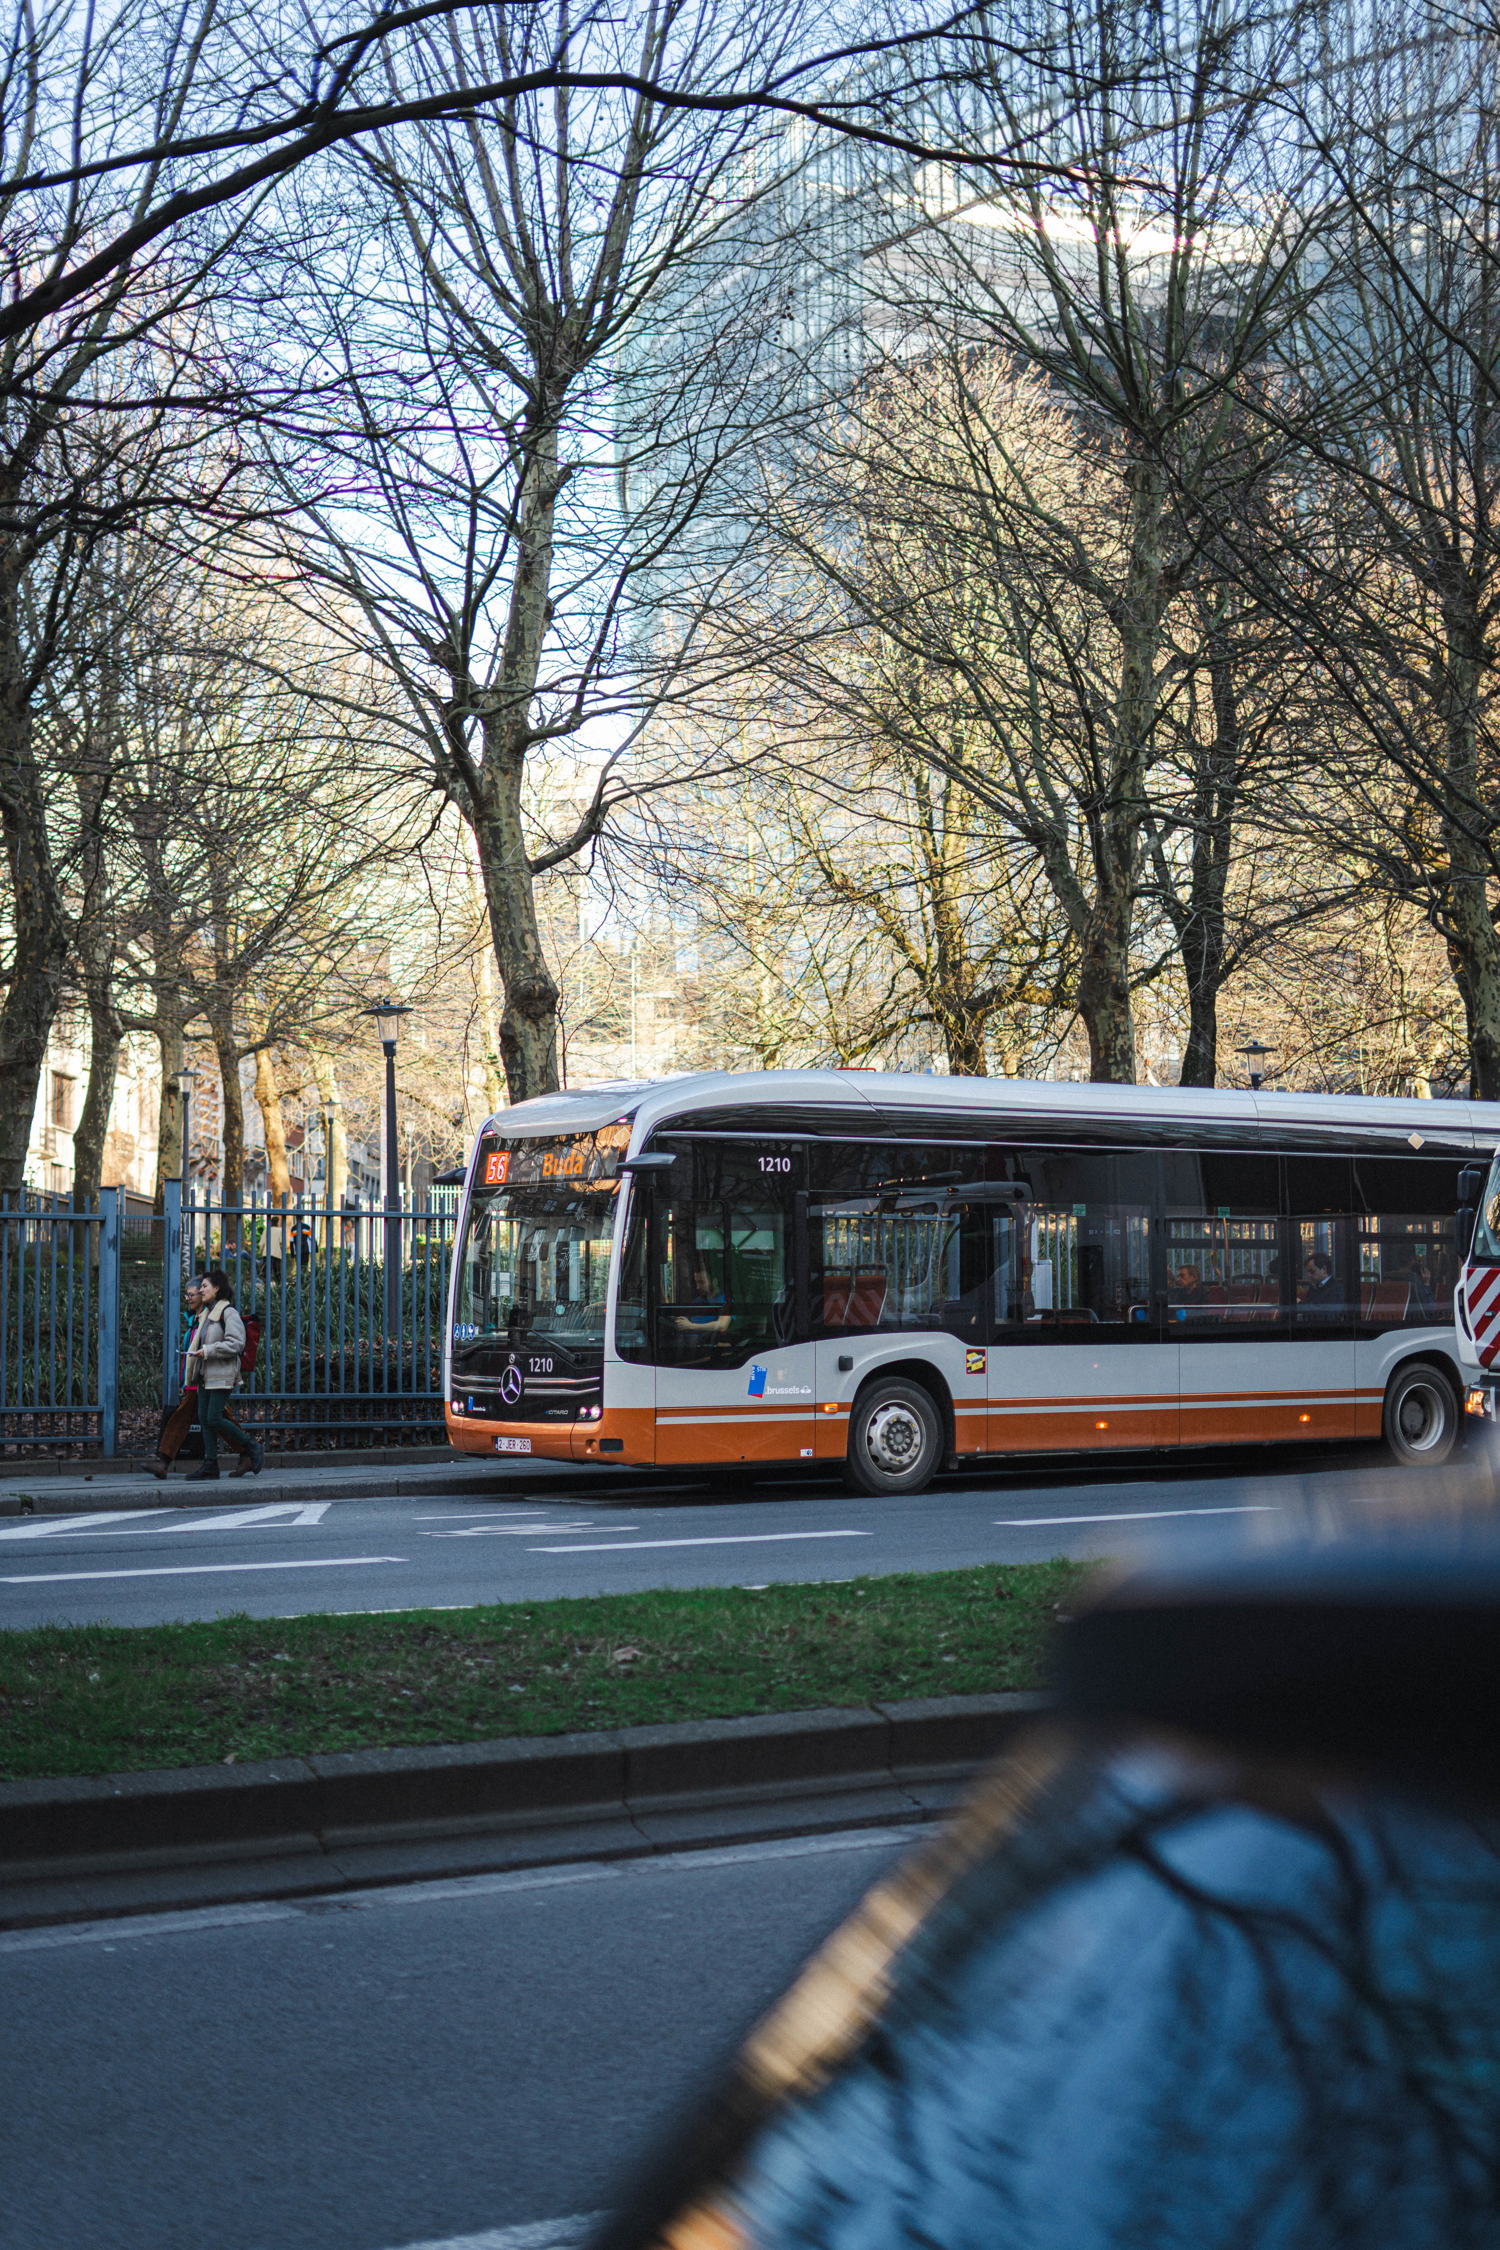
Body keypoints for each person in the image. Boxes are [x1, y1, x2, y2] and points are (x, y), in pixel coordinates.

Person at [182, 1269, 262, 1480]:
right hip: (205, 1374)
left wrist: (208, 1351)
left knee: (213, 1417)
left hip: (222, 1374)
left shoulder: (228, 1313)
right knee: (204, 1419)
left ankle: (251, 1445)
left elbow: (236, 1344)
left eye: (205, 1286)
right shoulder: (207, 1313)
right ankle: (210, 1465)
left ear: (217, 1288)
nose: (201, 1290)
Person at [150, 1275, 207, 1478]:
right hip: (194, 1382)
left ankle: (163, 1462)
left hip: (203, 1381)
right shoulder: (194, 1321)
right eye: (186, 1295)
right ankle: (247, 1450)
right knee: (217, 1420)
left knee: (180, 1419)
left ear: (203, 1295)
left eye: (192, 1295)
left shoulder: (208, 1320)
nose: (188, 1298)